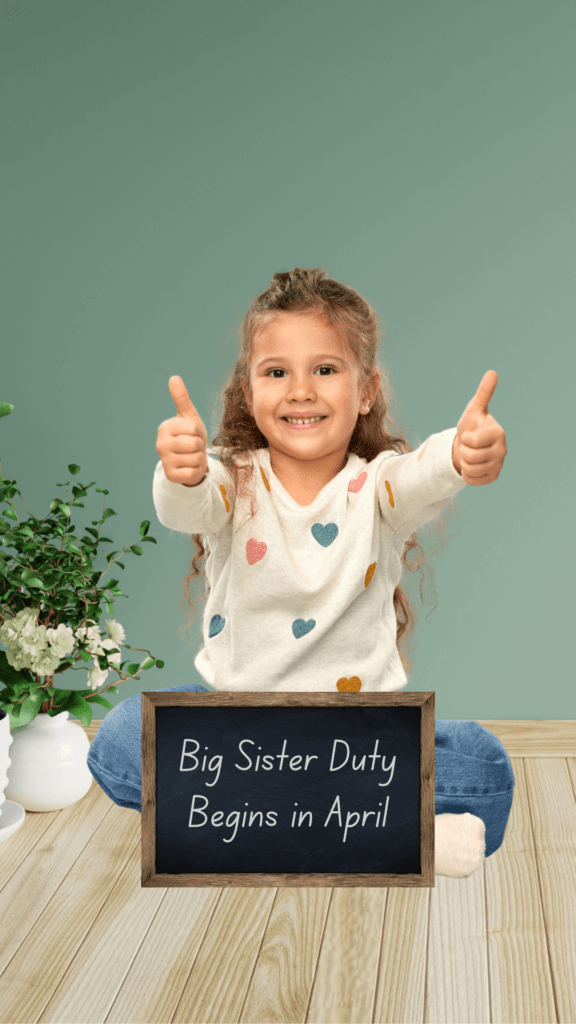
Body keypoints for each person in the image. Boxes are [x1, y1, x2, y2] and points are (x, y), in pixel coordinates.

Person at [88, 267, 514, 877]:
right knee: (122, 737)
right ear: (249, 390)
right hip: (240, 737)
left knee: (484, 765)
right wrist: (180, 469)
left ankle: (259, 827)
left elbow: (425, 472)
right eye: (276, 372)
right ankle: (387, 837)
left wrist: (460, 453)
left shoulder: (380, 486)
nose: (300, 390)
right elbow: (187, 502)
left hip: (357, 741)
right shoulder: (232, 481)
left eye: (325, 369)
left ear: (365, 390)